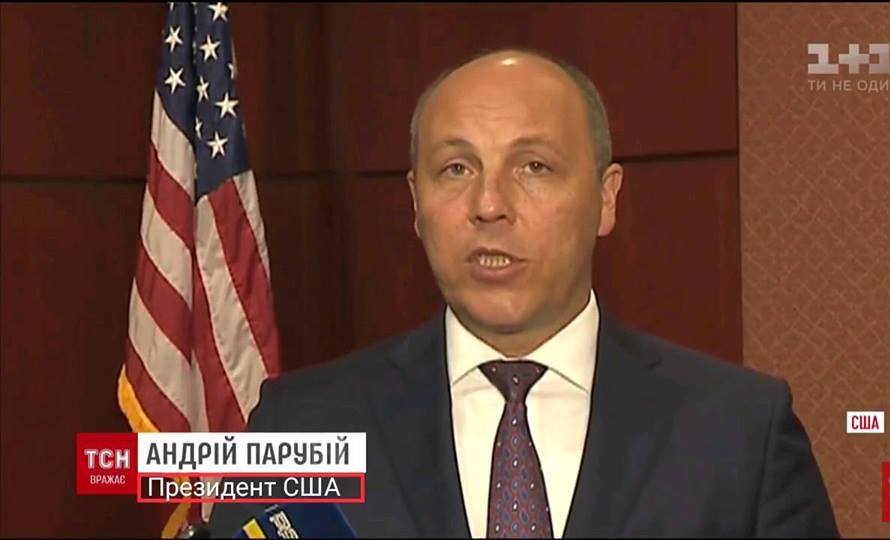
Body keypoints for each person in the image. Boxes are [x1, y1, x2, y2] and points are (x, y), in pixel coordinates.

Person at [209, 48, 839, 538]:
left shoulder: (740, 433)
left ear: (606, 198)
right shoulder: (302, 425)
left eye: (534, 166)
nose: (488, 205)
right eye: (456, 169)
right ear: (415, 204)